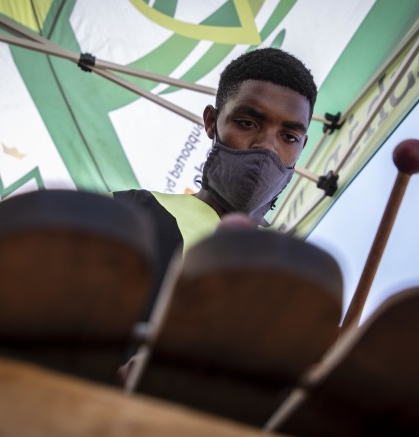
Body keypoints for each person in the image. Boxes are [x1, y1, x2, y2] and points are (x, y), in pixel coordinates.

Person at [113, 47, 318, 315]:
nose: (267, 148)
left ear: (302, 147)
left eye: (289, 137)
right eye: (247, 123)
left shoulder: (293, 289)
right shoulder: (128, 214)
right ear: (212, 122)